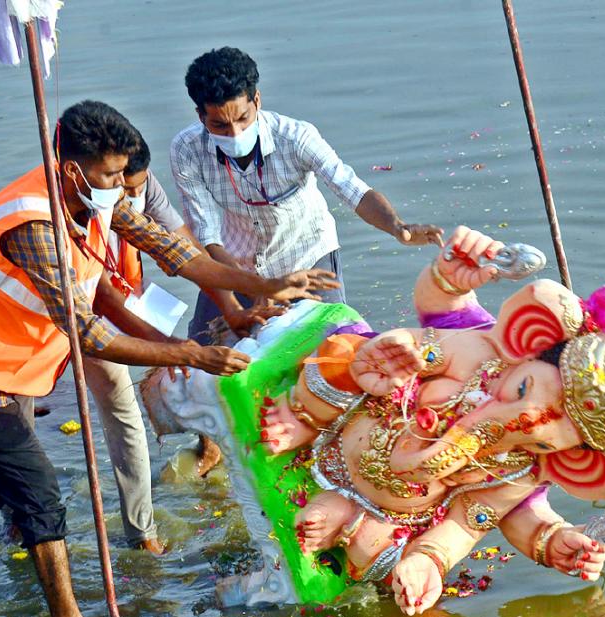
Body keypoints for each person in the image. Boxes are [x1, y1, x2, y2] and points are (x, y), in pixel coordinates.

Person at [0, 100, 335, 617]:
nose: (121, 186)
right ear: (73, 169)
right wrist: (189, 353)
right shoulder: (35, 224)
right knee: (38, 493)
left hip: (5, 358)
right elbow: (91, 335)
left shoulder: (95, 199)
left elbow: (177, 253)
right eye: (111, 174)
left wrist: (268, 285)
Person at [170, 46, 443, 473]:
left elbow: (351, 188)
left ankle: (330, 447)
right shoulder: (187, 150)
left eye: (242, 118)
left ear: (257, 100)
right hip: (233, 261)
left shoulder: (296, 137)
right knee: (207, 352)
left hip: (307, 257)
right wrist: (251, 294)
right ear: (201, 116)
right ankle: (211, 446)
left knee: (328, 356)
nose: (233, 130)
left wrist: (398, 227)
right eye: (219, 124)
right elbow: (205, 232)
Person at [86, 134, 291, 552]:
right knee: (16, 439)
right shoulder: (83, 207)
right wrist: (177, 349)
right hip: (75, 315)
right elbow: (102, 299)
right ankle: (19, 515)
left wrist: (235, 307)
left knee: (123, 413)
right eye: (119, 187)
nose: (129, 197)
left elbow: (188, 253)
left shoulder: (140, 192)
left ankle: (141, 535)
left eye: (136, 187)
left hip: (114, 302)